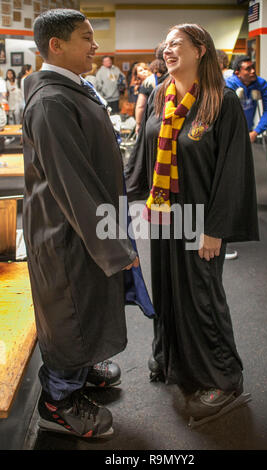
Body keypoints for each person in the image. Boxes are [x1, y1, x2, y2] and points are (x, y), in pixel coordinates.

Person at [22, 8, 154, 439]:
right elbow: (73, 184)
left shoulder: (74, 88)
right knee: (69, 312)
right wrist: (116, 248)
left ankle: (79, 371)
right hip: (67, 233)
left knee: (89, 304)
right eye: (86, 38)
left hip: (88, 227)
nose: (96, 47)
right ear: (56, 46)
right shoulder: (51, 101)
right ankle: (58, 401)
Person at [125, 23, 259, 425]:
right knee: (167, 290)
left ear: (201, 49)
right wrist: (126, 199)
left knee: (201, 296)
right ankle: (173, 360)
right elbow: (144, 154)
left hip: (200, 220)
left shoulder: (222, 102)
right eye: (165, 45)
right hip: (165, 217)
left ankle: (223, 378)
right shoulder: (160, 94)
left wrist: (214, 229)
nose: (168, 50)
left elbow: (232, 170)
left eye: (177, 44)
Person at [225, 55, 267, 143]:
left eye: (253, 67)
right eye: (248, 69)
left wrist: (256, 132)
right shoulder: (228, 84)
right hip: (228, 130)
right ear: (237, 73)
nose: (253, 71)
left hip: (247, 128)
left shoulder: (261, 83)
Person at [135, 45, 168, 134]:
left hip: (154, 122)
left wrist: (138, 124)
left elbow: (140, 106)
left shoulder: (149, 81)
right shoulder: (178, 78)